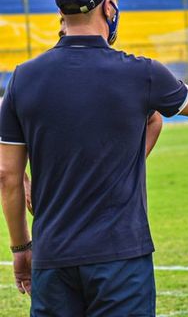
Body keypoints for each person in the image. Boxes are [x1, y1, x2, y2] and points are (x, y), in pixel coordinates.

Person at [0, 0, 188, 315]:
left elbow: (8, 175)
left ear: (61, 10)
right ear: (109, 7)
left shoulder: (23, 78)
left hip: (52, 255)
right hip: (121, 255)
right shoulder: (141, 73)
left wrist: (20, 249)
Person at [20, 15, 164, 216]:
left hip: (97, 219)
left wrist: (127, 167)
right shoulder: (37, 79)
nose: (65, 29)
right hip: (65, 215)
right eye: (62, 23)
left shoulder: (119, 77)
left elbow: (155, 119)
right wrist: (24, 182)